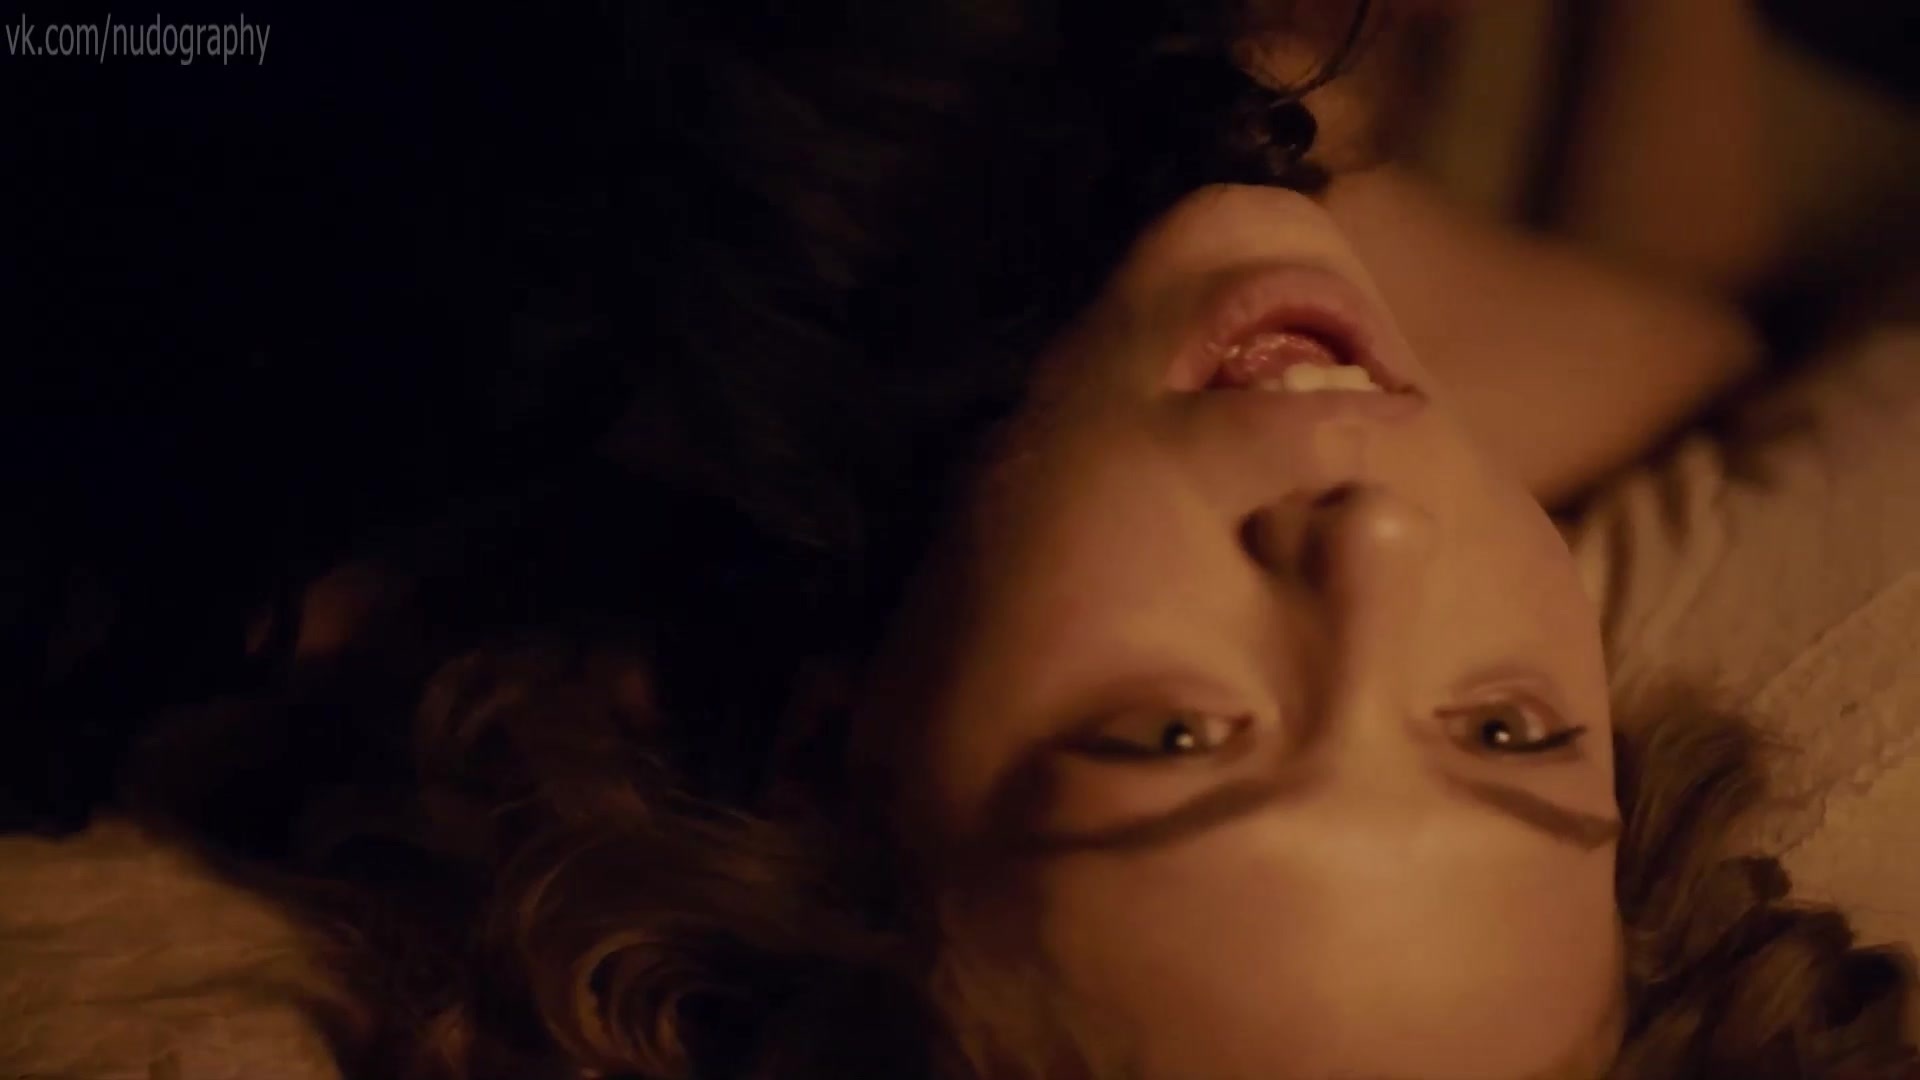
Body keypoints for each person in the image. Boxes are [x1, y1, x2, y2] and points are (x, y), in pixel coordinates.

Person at [5, 1, 1915, 1078]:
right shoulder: (1257, 357)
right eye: (1504, 729)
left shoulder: (329, 407)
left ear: (826, 762)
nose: (1382, 541)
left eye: (1174, 737)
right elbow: (1695, 332)